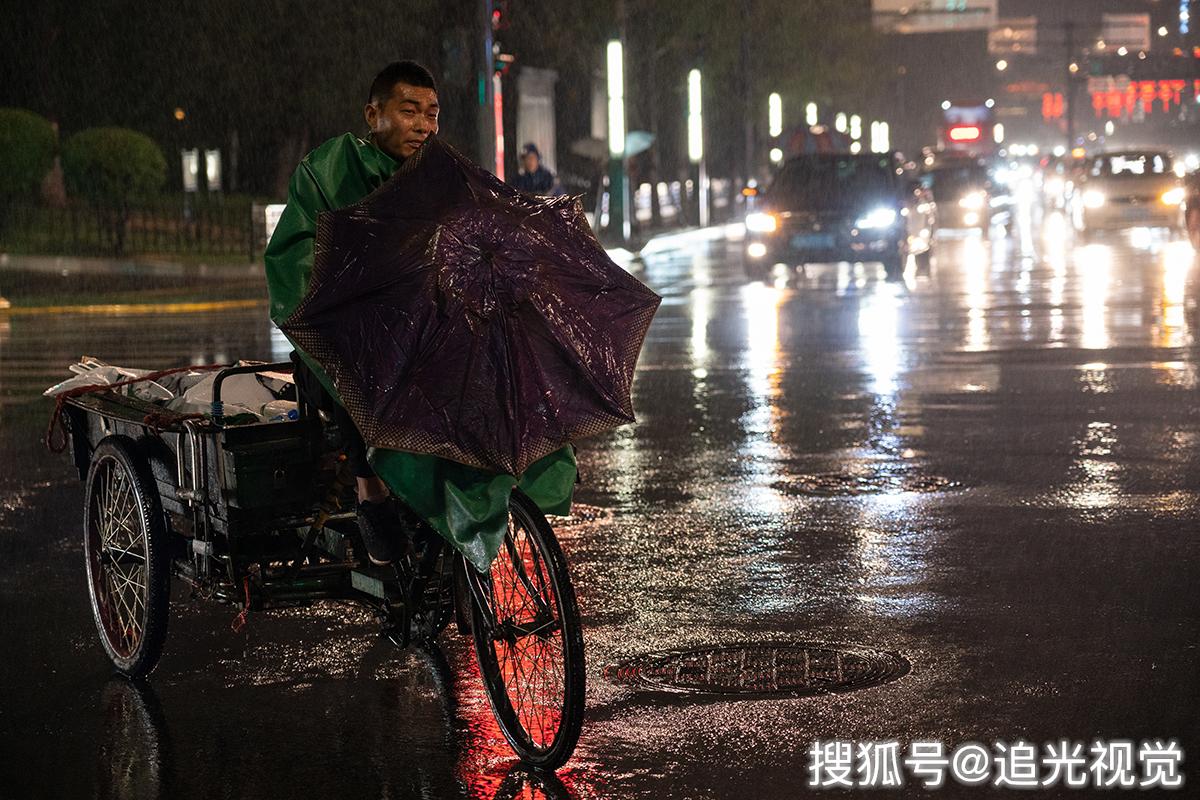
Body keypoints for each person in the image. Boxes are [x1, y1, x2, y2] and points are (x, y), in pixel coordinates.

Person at [265, 60, 440, 566]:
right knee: (358, 368)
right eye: (409, 111)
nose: (424, 126)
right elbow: (296, 261)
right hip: (341, 339)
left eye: (431, 114)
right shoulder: (328, 172)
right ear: (373, 114)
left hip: (419, 332)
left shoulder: (438, 175)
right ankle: (371, 495)